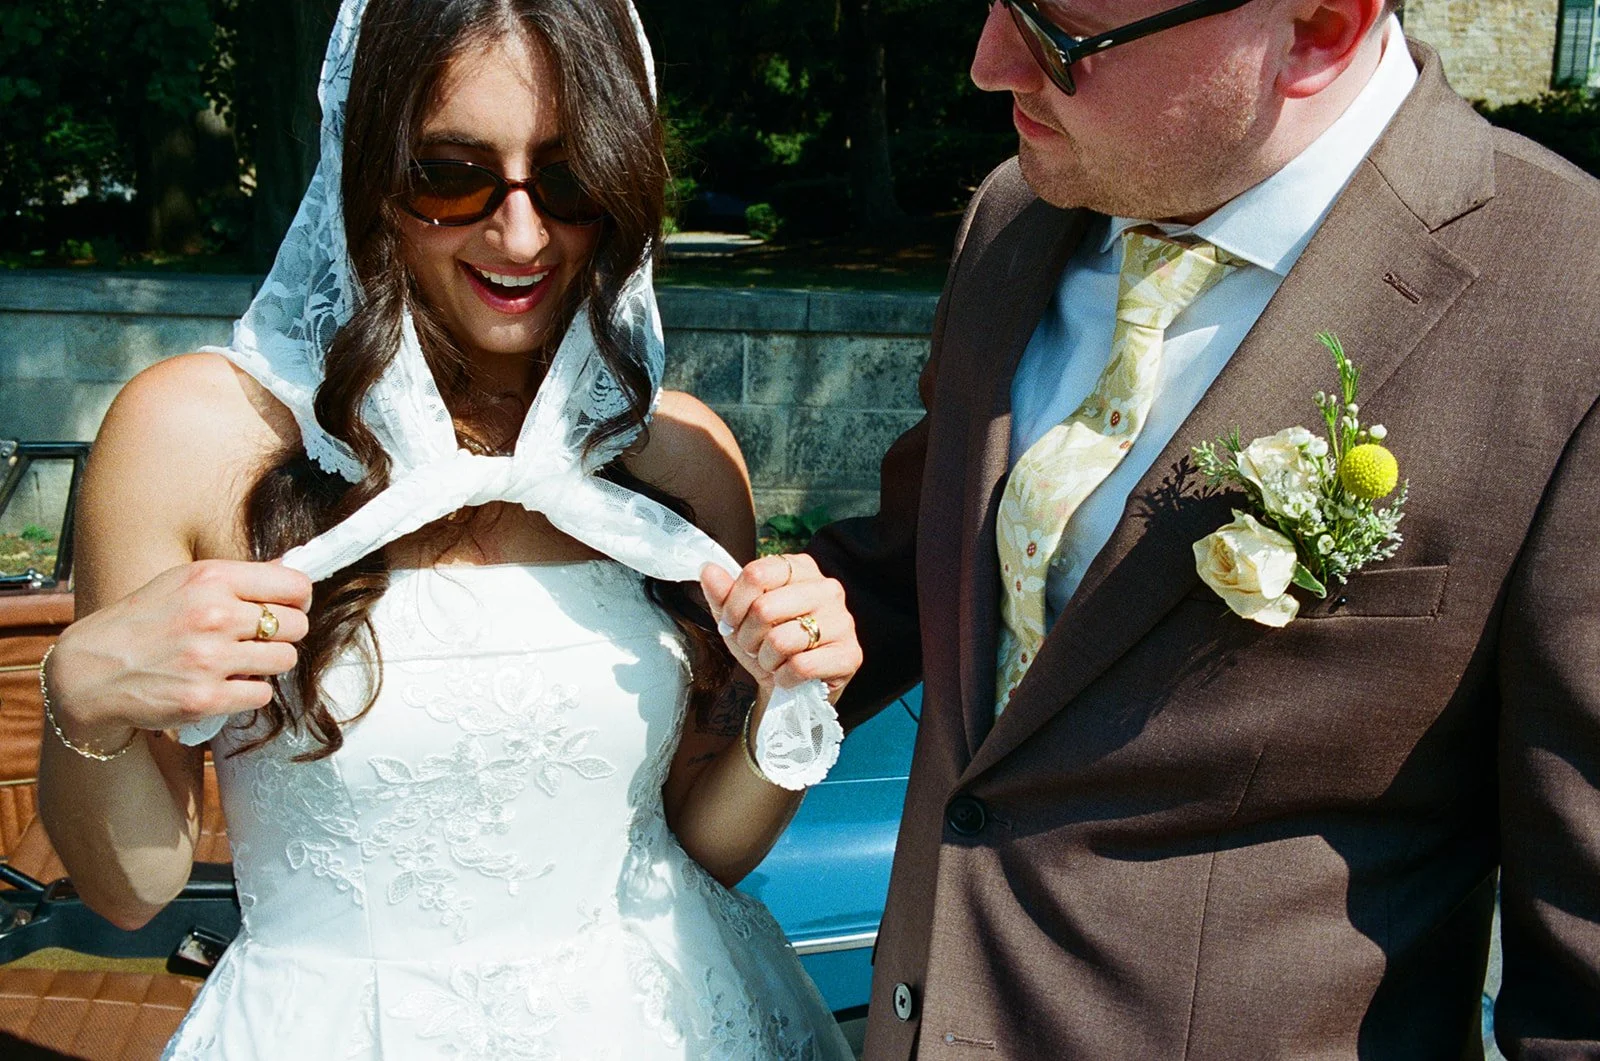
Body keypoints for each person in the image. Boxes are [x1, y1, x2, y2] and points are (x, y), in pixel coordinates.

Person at [717, 0, 1600, 1057]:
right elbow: (918, 568)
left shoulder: (1567, 305)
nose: (988, 62)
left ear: (1316, 28)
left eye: (1059, 35)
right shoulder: (1016, 215)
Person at [35, 0, 858, 1057]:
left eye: (567, 180)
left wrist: (792, 700)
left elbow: (703, 845)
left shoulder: (679, 460)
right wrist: (86, 692)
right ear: (368, 169)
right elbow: (131, 886)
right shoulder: (195, 436)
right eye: (450, 175)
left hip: (669, 1017)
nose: (520, 235)